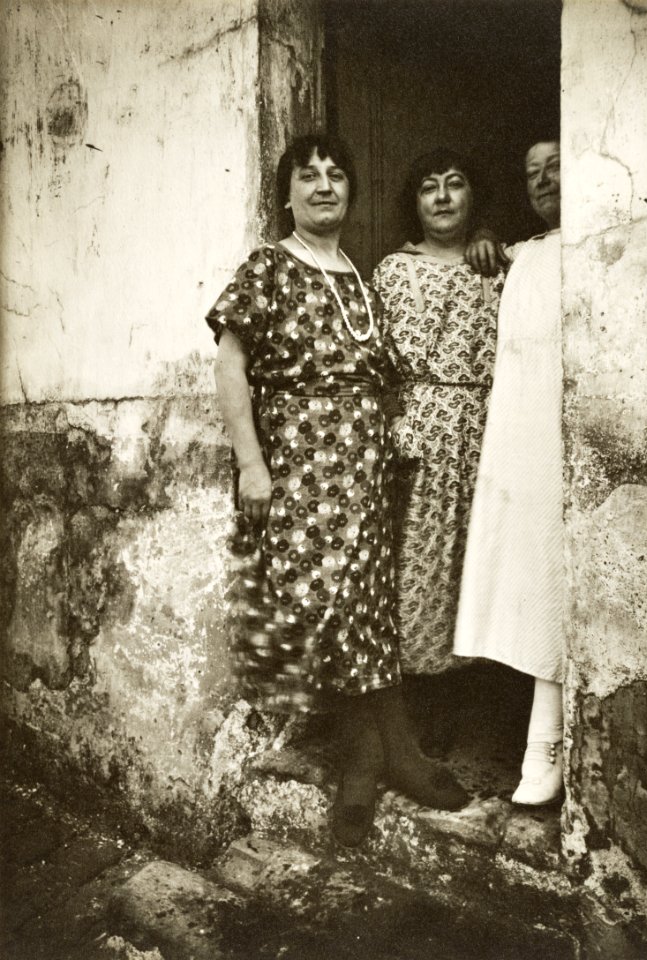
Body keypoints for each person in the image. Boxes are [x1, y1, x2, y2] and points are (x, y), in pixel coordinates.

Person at [206, 133, 469, 848]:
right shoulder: (267, 267)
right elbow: (232, 368)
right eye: (308, 176)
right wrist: (251, 465)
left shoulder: (360, 276)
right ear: (286, 194)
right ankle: (376, 757)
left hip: (367, 470)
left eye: (336, 176)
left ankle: (379, 758)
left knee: (368, 608)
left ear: (349, 191)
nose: (325, 187)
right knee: (324, 606)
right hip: (302, 470)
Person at [371, 150, 502, 751]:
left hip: (487, 435)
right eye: (430, 188)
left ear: (473, 198)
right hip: (416, 434)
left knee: (475, 568)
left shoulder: (498, 265)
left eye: (456, 185)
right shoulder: (394, 271)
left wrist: (491, 242)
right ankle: (414, 710)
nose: (444, 197)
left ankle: (470, 703)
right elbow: (372, 363)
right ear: (415, 203)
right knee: (413, 566)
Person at [454, 138, 564, 806]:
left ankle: (547, 744)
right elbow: (498, 257)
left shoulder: (604, 242)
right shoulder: (527, 254)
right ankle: (540, 741)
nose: (544, 179)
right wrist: (489, 239)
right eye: (532, 173)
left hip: (576, 439)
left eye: (556, 165)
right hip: (525, 439)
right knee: (530, 576)